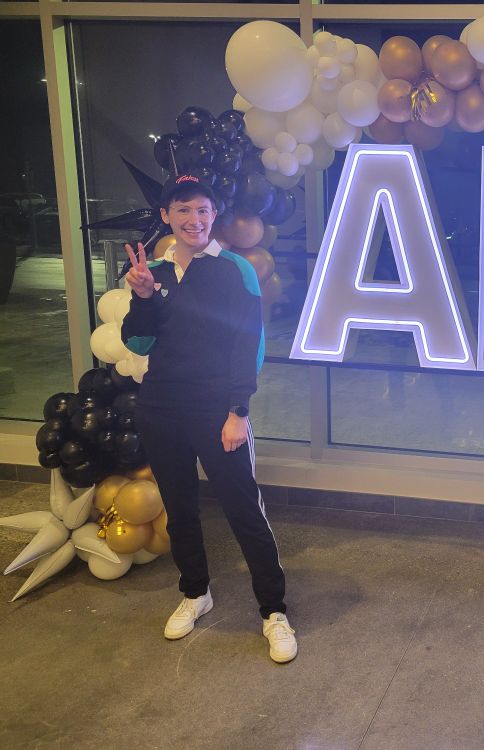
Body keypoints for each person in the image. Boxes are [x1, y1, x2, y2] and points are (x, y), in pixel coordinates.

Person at [120, 174, 297, 663]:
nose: (193, 220)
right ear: (166, 217)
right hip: (160, 407)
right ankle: (196, 593)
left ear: (213, 215)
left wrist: (238, 411)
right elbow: (138, 343)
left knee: (244, 509)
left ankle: (273, 611)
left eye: (201, 210)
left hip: (218, 410)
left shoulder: (234, 268)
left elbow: (249, 345)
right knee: (180, 510)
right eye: (182, 211)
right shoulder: (150, 270)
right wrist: (142, 296)